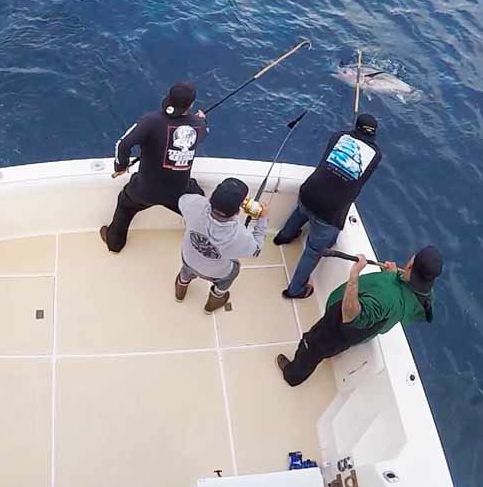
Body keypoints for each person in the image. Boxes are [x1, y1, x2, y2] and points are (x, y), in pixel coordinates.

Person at [276, 246, 443, 386]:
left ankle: (292, 375)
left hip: (338, 326)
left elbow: (350, 315)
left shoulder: (386, 297)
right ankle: (327, 352)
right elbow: (402, 293)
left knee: (311, 346)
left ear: (410, 264)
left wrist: (354, 274)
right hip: (363, 332)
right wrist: (392, 275)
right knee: (333, 347)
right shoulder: (426, 295)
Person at [273, 113, 382, 299]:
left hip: (308, 191)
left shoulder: (338, 136)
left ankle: (283, 237)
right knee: (313, 250)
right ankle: (295, 289)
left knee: (302, 211)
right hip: (329, 210)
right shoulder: (376, 155)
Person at [100, 82, 209, 253]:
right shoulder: (199, 126)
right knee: (201, 205)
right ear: (191, 105)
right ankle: (200, 245)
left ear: (169, 98)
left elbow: (123, 144)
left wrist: (121, 166)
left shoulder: (150, 121)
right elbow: (201, 133)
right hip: (179, 193)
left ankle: (114, 243)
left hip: (145, 190)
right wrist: (201, 119)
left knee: (125, 203)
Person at [175, 178, 270, 314]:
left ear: (212, 197)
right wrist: (262, 219)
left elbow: (182, 200)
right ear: (238, 210)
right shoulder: (241, 235)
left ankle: (180, 289)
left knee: (187, 269)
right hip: (217, 273)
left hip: (189, 259)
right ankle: (213, 303)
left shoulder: (194, 204)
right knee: (233, 271)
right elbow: (256, 251)